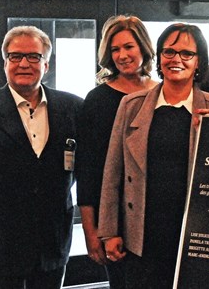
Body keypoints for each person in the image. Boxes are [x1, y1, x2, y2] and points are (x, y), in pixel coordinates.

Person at [98, 23, 209, 288]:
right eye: (169, 52)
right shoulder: (132, 105)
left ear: (198, 62)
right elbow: (113, 172)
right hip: (142, 234)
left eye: (186, 54)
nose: (176, 60)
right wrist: (109, 232)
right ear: (159, 57)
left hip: (195, 236)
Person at [0, 26, 82, 288]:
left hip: (51, 242)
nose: (24, 64)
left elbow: (79, 169)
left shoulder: (72, 108)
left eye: (33, 57)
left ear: (46, 64)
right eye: (15, 56)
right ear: (5, 62)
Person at [75, 15, 158, 288]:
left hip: (158, 217)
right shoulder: (97, 101)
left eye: (129, 47)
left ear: (143, 47)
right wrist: (92, 232)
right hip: (115, 222)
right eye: (115, 49)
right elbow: (87, 173)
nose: (122, 55)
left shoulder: (163, 93)